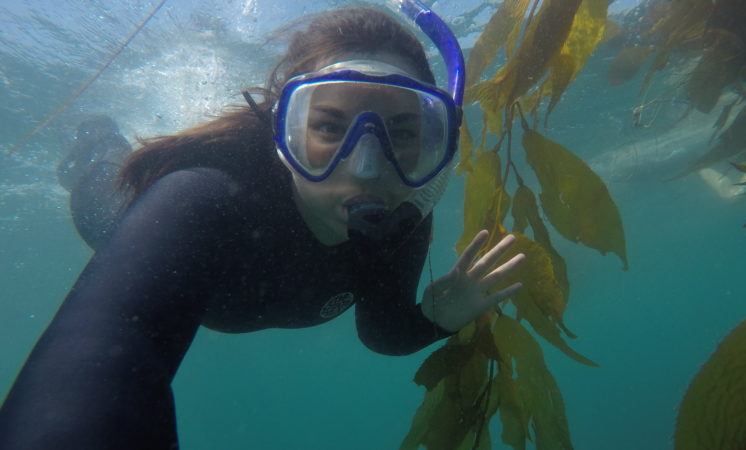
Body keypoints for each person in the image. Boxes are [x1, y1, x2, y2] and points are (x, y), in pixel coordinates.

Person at [0, 3, 525, 449]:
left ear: (439, 142)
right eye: (327, 126)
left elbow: (383, 331)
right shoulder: (200, 200)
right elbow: (96, 361)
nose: (367, 168)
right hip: (117, 208)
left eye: (404, 131)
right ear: (283, 132)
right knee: (105, 176)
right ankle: (98, 141)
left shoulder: (403, 221)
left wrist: (436, 316)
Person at [57, 115, 132, 250]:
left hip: (118, 238)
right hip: (111, 240)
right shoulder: (98, 157)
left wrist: (71, 157)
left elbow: (71, 182)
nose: (78, 140)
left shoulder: (112, 149)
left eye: (82, 134)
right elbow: (69, 182)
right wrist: (71, 157)